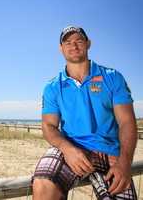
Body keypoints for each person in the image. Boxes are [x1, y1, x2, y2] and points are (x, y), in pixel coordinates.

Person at [32, 26, 138, 200]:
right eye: (68, 42)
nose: (73, 46)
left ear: (88, 44)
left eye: (79, 41)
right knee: (43, 184)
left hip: (109, 153)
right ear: (61, 48)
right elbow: (49, 126)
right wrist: (67, 149)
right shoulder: (52, 87)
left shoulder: (112, 77)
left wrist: (125, 163)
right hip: (70, 148)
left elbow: (127, 122)